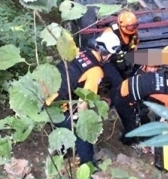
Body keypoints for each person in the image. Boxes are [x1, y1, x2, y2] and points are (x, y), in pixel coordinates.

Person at [45, 32, 122, 166]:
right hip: (53, 107)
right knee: (82, 130)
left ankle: (63, 148)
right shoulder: (96, 71)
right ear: (108, 54)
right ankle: (88, 165)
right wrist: (83, 120)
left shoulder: (79, 51)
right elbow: (83, 103)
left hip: (44, 94)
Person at [113, 63, 168, 145]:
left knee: (139, 114)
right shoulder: (167, 98)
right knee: (131, 125)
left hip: (123, 87)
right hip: (124, 100)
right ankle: (124, 143)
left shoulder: (164, 78)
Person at [99, 10, 139, 98]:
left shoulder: (133, 33)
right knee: (117, 82)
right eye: (129, 27)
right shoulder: (110, 33)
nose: (132, 29)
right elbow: (103, 54)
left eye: (134, 26)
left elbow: (134, 46)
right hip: (108, 61)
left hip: (123, 58)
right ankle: (116, 101)